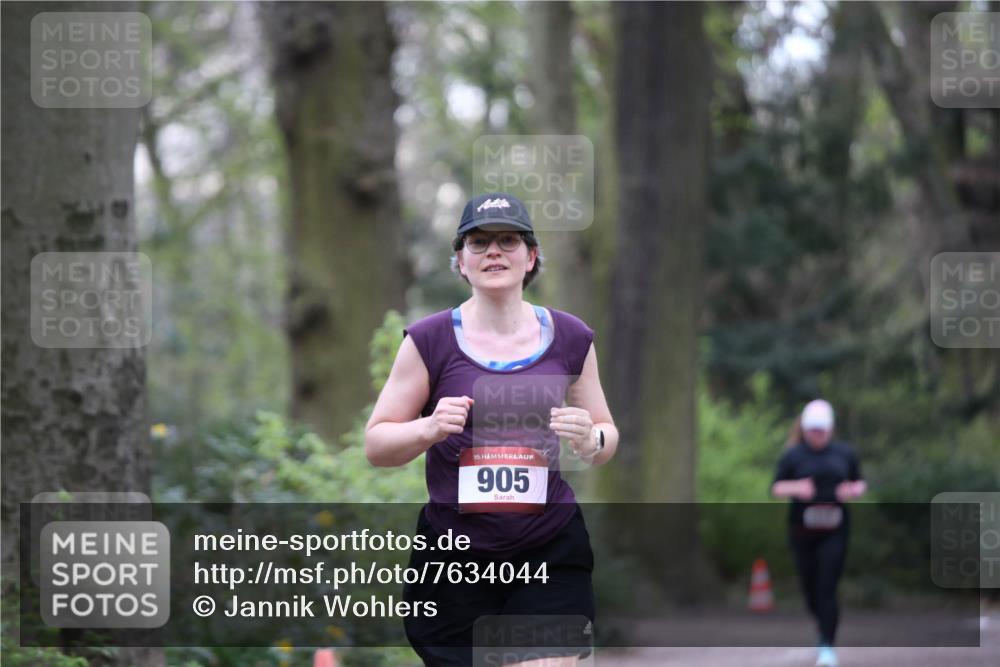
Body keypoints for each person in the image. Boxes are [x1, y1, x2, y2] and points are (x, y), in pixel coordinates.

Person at [365, 192, 618, 667]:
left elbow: (606, 433)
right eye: (478, 243)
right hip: (454, 551)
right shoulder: (429, 340)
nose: (494, 252)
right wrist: (429, 429)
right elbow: (377, 445)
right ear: (460, 261)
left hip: (548, 543)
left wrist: (591, 439)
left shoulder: (570, 337)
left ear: (531, 256)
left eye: (508, 240)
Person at [771, 399, 866, 667]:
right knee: (810, 590)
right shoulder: (793, 455)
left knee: (827, 587)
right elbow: (776, 487)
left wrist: (853, 490)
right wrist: (797, 488)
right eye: (812, 430)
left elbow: (859, 482)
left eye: (821, 430)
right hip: (802, 531)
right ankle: (822, 624)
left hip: (834, 530)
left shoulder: (844, 454)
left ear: (830, 429)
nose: (817, 435)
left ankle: (827, 645)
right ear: (804, 429)